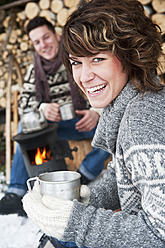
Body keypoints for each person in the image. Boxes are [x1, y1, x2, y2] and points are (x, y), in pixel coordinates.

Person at [22, 0, 165, 247]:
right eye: (76, 62)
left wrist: (75, 221)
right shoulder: (136, 98)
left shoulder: (141, 122)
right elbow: (126, 175)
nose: (84, 77)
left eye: (97, 59)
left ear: (131, 53)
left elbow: (157, 234)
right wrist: (88, 199)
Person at [0, 16, 110, 217]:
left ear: (56, 35)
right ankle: (16, 191)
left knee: (112, 124)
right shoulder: (35, 71)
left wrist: (97, 113)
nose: (43, 45)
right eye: (37, 42)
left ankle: (84, 174)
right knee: (23, 129)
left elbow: (105, 86)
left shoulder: (77, 58)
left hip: (83, 121)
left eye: (46, 37)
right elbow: (24, 104)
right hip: (53, 127)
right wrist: (42, 109)